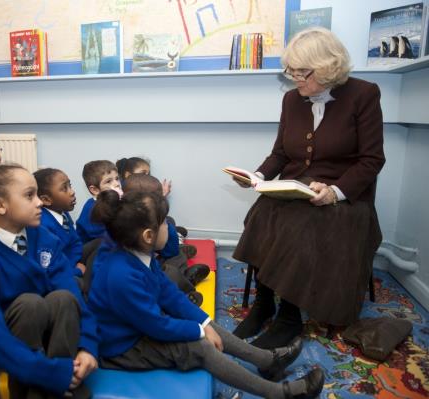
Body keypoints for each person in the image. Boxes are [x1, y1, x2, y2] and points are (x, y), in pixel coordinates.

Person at [232, 27, 385, 349]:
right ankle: (264, 304)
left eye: (303, 73)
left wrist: (335, 192)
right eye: (292, 72)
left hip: (345, 200)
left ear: (329, 67)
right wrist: (257, 176)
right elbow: (281, 154)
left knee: (298, 224)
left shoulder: (364, 94)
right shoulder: (291, 100)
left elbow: (371, 161)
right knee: (262, 213)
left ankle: (289, 317)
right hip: (297, 188)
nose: (296, 80)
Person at [88, 190, 324, 399]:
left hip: (139, 328)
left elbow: (169, 294)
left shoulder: (137, 254)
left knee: (203, 321)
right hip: (123, 348)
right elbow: (156, 325)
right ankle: (278, 394)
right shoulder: (121, 275)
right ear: (148, 236)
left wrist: (203, 322)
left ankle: (267, 361)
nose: (168, 228)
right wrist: (199, 332)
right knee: (200, 347)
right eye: (164, 224)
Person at [0, 165, 98, 399]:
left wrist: (87, 347)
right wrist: (47, 372)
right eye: (29, 196)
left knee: (63, 297)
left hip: (54, 340)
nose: (39, 203)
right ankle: (40, 387)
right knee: (30, 304)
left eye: (37, 194)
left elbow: (72, 295)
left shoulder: (45, 239)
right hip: (13, 348)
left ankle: (69, 380)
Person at [123, 174, 210, 306]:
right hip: (151, 276)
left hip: (152, 261)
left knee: (172, 257)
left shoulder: (127, 219)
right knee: (172, 269)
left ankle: (183, 274)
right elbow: (171, 251)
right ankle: (186, 284)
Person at [34, 167, 86, 277]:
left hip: (73, 260)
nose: (72, 192)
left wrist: (77, 261)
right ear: (46, 200)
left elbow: (75, 241)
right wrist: (77, 271)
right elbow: (50, 268)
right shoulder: (43, 225)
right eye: (64, 189)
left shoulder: (63, 213)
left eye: (70, 186)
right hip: (62, 274)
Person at [76, 160, 123, 244]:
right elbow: (104, 237)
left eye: (117, 178)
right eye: (108, 181)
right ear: (95, 190)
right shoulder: (91, 209)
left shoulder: (115, 201)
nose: (117, 184)